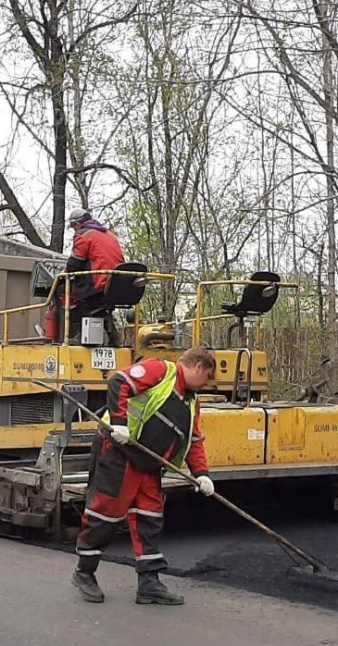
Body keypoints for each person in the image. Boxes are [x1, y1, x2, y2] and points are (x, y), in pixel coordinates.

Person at [72, 347, 217, 606]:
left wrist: (202, 474)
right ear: (197, 367)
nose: (205, 384)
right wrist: (119, 422)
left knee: (150, 519)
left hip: (148, 464)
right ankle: (84, 572)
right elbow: (119, 381)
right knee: (106, 515)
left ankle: (149, 583)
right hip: (118, 453)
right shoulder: (160, 371)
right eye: (206, 377)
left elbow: (193, 440)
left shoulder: (192, 400)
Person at [53, 208, 125, 344]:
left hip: (99, 283)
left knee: (63, 289)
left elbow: (76, 262)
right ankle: (113, 336)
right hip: (116, 284)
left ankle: (75, 334)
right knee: (98, 307)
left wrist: (64, 273)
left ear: (77, 224)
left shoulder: (83, 234)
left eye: (73, 227)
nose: (74, 230)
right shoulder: (110, 234)